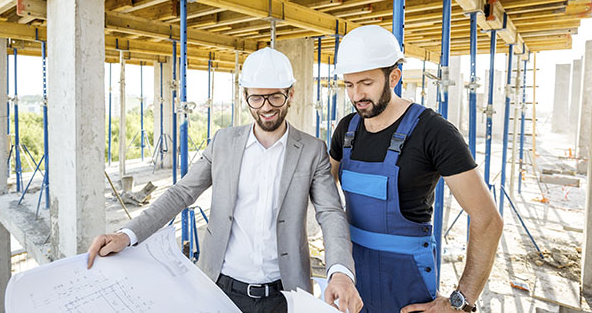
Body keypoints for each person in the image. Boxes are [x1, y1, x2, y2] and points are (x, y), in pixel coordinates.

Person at [87, 47, 362, 313]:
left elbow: (330, 212)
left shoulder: (312, 150)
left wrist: (339, 271)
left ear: (290, 94)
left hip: (284, 294)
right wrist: (127, 234)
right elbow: (181, 193)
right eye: (257, 98)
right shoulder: (223, 142)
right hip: (221, 288)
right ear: (244, 96)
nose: (266, 107)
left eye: (275, 97)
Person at [329, 25, 504, 313]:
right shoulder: (346, 130)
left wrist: (460, 302)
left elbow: (487, 220)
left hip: (407, 289)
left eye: (366, 83)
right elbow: (322, 195)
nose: (356, 94)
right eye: (349, 85)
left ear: (394, 76)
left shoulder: (433, 132)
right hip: (353, 281)